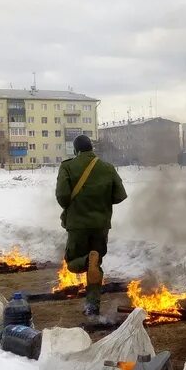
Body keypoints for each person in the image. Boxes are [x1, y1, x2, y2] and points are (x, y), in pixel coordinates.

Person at [55, 134, 127, 321]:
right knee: (97, 264)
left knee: (72, 263)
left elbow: (62, 195)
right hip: (101, 224)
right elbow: (119, 196)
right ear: (92, 148)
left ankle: (88, 259)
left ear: (75, 150)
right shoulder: (107, 167)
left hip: (77, 225)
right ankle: (92, 305)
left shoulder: (68, 166)